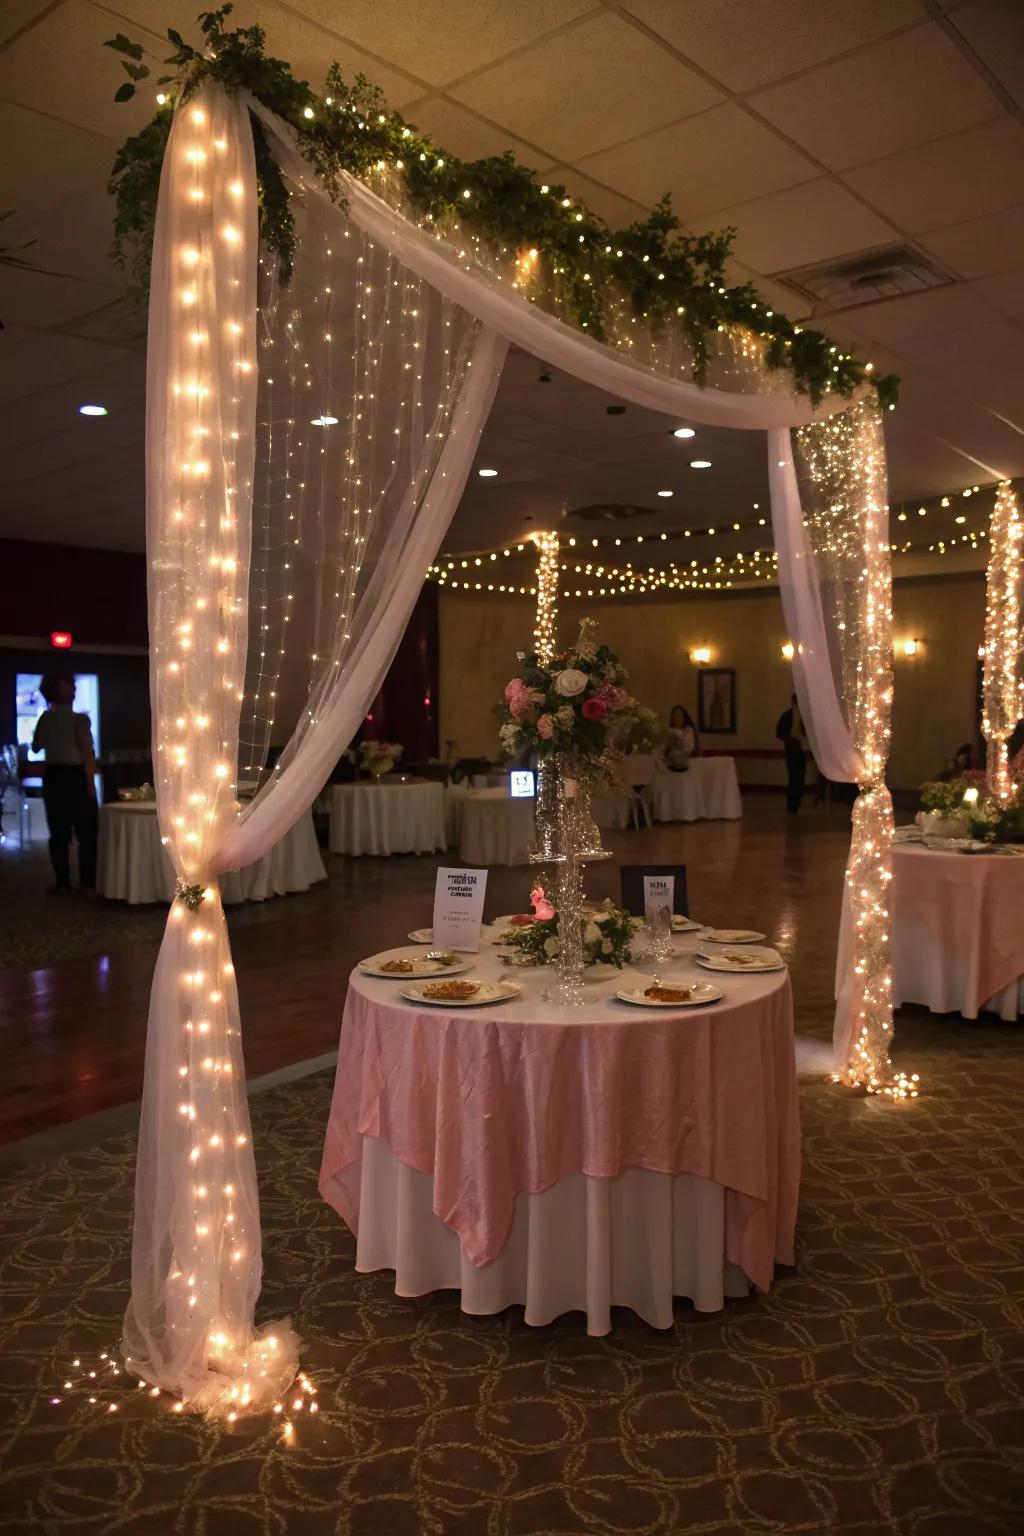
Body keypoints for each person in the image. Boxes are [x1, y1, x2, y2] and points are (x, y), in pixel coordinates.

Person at [31, 673, 98, 894]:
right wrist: (90, 783)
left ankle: (63, 882)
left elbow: (36, 746)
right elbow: (87, 753)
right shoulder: (80, 720)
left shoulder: (45, 719)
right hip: (74, 776)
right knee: (85, 831)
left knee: (58, 831)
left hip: (54, 776)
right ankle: (86, 882)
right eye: (70, 686)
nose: (74, 689)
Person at [775, 692, 808, 815]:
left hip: (800, 747)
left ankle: (794, 807)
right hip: (792, 747)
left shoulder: (801, 717)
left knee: (798, 779)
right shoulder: (788, 716)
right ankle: (792, 807)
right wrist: (788, 738)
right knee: (794, 778)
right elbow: (779, 732)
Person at [665, 704, 699, 771]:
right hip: (671, 765)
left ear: (684, 717)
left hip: (689, 764)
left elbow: (690, 747)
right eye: (674, 715)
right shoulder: (668, 732)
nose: (677, 718)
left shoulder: (689, 731)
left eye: (679, 715)